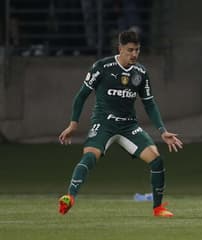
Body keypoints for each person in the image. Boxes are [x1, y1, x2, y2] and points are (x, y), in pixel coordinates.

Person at [58, 30, 183, 217]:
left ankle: (158, 208)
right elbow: (81, 95)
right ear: (120, 49)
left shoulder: (140, 72)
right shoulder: (102, 67)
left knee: (157, 160)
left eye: (137, 50)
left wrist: (162, 131)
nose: (134, 54)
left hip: (129, 126)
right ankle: (70, 197)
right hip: (104, 123)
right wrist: (73, 124)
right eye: (130, 50)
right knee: (90, 156)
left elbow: (149, 102)